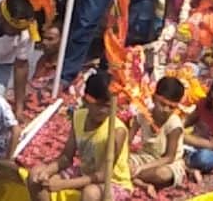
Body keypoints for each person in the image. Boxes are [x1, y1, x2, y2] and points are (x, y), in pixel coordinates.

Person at [26, 71, 133, 201]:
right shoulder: (78, 117)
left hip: (113, 182)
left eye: (107, 106)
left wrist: (63, 185)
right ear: (86, 101)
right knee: (35, 176)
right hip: (85, 172)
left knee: (90, 193)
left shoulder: (117, 131)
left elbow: (102, 175)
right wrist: (47, 172)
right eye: (99, 105)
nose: (103, 111)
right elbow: (66, 157)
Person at [129, 77, 186, 196]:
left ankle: (132, 177)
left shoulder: (174, 124)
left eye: (171, 107)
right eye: (163, 104)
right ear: (154, 98)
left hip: (167, 163)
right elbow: (127, 141)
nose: (166, 110)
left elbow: (169, 157)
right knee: (120, 162)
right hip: (145, 156)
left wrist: (142, 168)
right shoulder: (143, 115)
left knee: (162, 174)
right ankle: (138, 180)